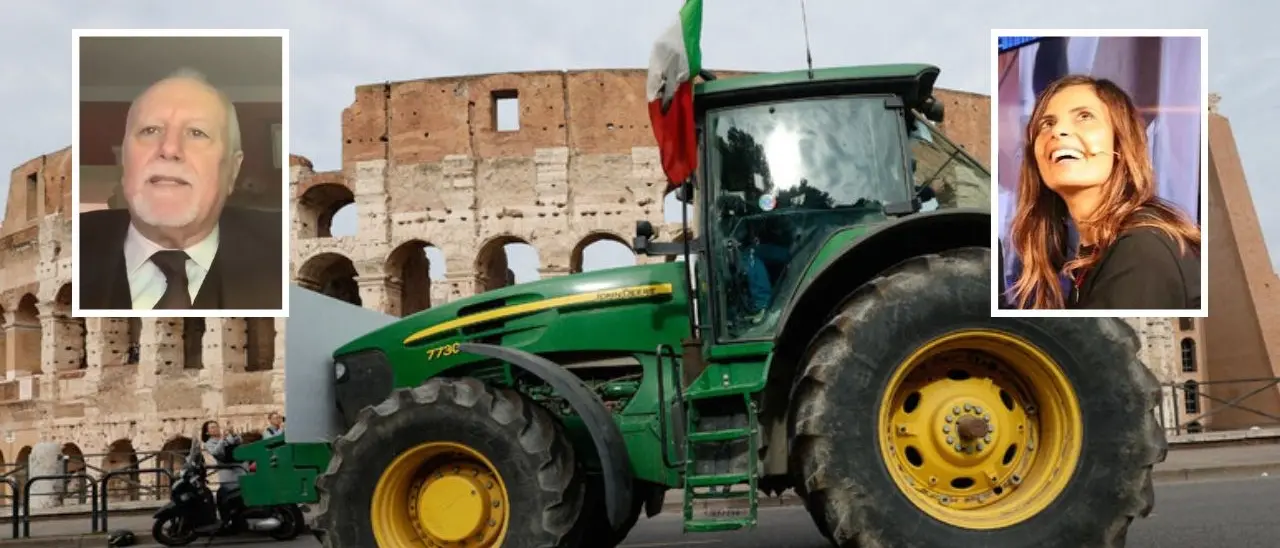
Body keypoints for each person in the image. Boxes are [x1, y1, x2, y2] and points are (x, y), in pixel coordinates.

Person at [78, 68, 282, 311]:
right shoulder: (70, 246)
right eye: (150, 130)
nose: (169, 148)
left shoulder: (282, 249)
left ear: (232, 170)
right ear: (125, 161)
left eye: (197, 133)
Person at [1006, 74, 1200, 310]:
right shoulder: (1093, 255)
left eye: (1084, 116)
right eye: (1047, 123)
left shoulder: (1141, 249)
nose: (1058, 131)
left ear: (1120, 143)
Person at [201, 419, 246, 530]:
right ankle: (227, 521)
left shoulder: (225, 438)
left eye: (216, 426)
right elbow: (216, 452)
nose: (216, 429)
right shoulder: (209, 443)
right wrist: (222, 439)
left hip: (238, 468)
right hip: (227, 472)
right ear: (207, 432)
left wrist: (233, 433)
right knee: (227, 495)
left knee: (240, 494)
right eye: (212, 427)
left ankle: (239, 520)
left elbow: (238, 441)